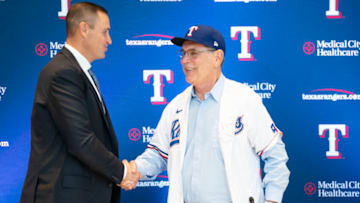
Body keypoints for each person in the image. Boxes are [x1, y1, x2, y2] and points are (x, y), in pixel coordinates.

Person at [125, 25, 290, 203]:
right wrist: (131, 170)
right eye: (183, 53)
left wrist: (272, 200)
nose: (185, 60)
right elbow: (157, 155)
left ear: (217, 58)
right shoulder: (175, 107)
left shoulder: (245, 100)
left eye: (193, 53)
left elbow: (276, 156)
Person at [20, 2, 140, 203]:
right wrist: (122, 172)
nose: (109, 40)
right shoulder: (62, 73)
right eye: (105, 32)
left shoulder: (77, 72)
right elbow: (81, 141)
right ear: (84, 29)